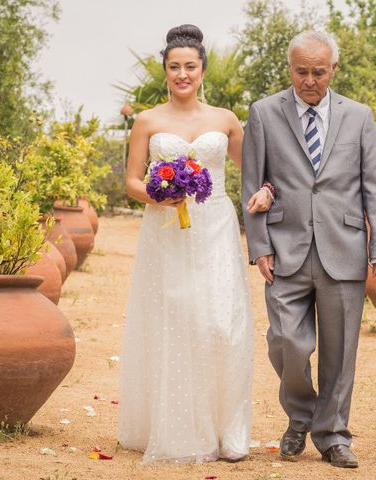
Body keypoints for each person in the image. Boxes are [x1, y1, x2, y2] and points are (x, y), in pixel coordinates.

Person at [242, 30, 376, 469]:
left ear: (333, 69)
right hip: (285, 247)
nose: (310, 80)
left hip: (344, 248)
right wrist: (259, 246)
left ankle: (332, 435)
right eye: (301, 71)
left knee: (340, 350)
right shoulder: (263, 114)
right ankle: (302, 415)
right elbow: (252, 183)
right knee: (285, 341)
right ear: (289, 68)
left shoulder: (360, 116)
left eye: (319, 72)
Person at [118, 24, 272, 464]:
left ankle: (228, 429)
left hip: (216, 229)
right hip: (164, 233)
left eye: (190, 66)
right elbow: (131, 181)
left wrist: (268, 191)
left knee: (219, 323)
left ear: (203, 70)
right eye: (174, 67)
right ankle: (181, 427)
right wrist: (158, 194)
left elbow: (254, 172)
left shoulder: (224, 119)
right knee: (175, 322)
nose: (182, 74)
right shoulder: (148, 121)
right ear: (164, 71)